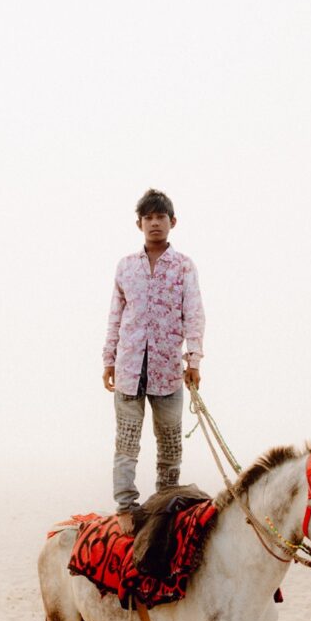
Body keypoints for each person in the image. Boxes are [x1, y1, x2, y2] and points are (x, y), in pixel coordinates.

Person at [102, 189, 206, 534]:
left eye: (160, 217)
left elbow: (193, 314)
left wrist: (193, 359)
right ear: (139, 224)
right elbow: (116, 315)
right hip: (130, 369)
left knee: (170, 443)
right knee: (127, 443)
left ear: (172, 222)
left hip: (167, 372)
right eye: (148, 218)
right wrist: (109, 358)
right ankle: (126, 507)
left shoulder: (183, 266)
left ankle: (164, 502)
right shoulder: (126, 267)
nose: (155, 223)